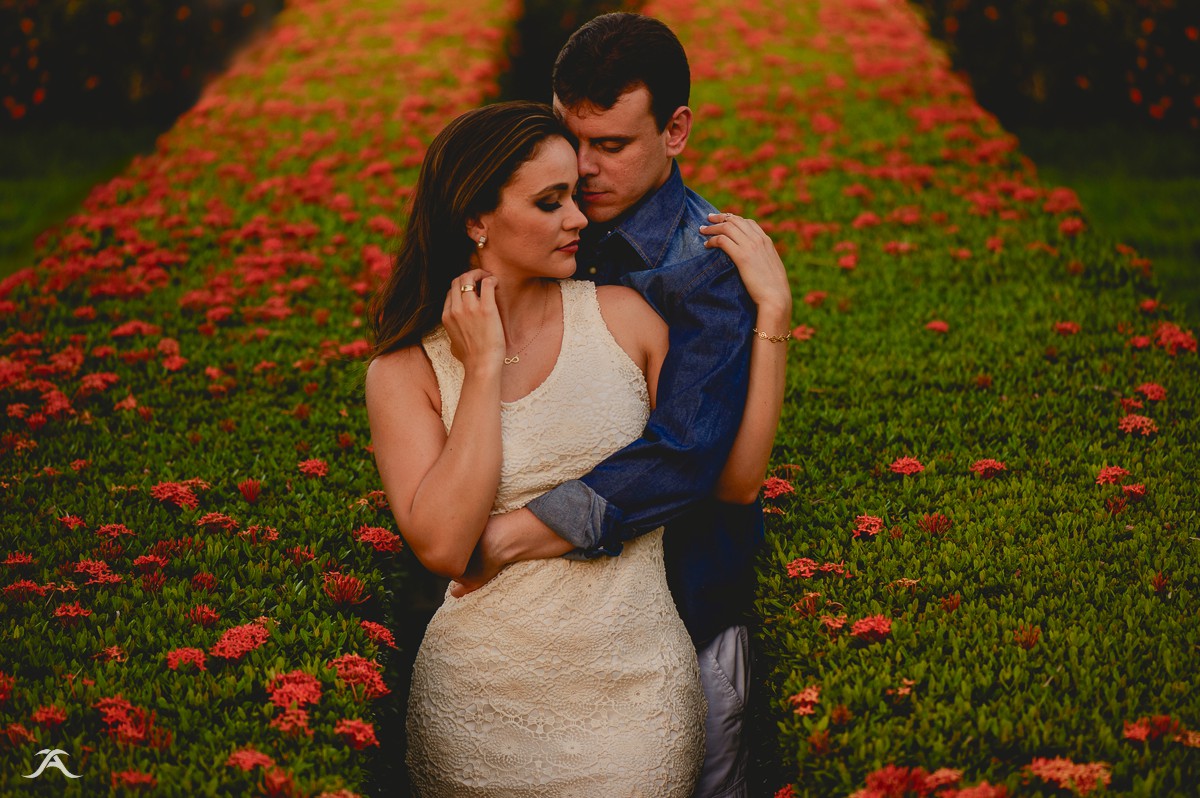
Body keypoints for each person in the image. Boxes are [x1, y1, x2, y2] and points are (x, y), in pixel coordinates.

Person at [364, 101, 788, 795]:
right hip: (478, 700)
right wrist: (480, 367)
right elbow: (443, 544)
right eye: (550, 201)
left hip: (637, 693)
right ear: (476, 219)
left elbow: (732, 479)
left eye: (575, 197)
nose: (580, 219)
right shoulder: (403, 373)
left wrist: (772, 316)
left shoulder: (625, 320)